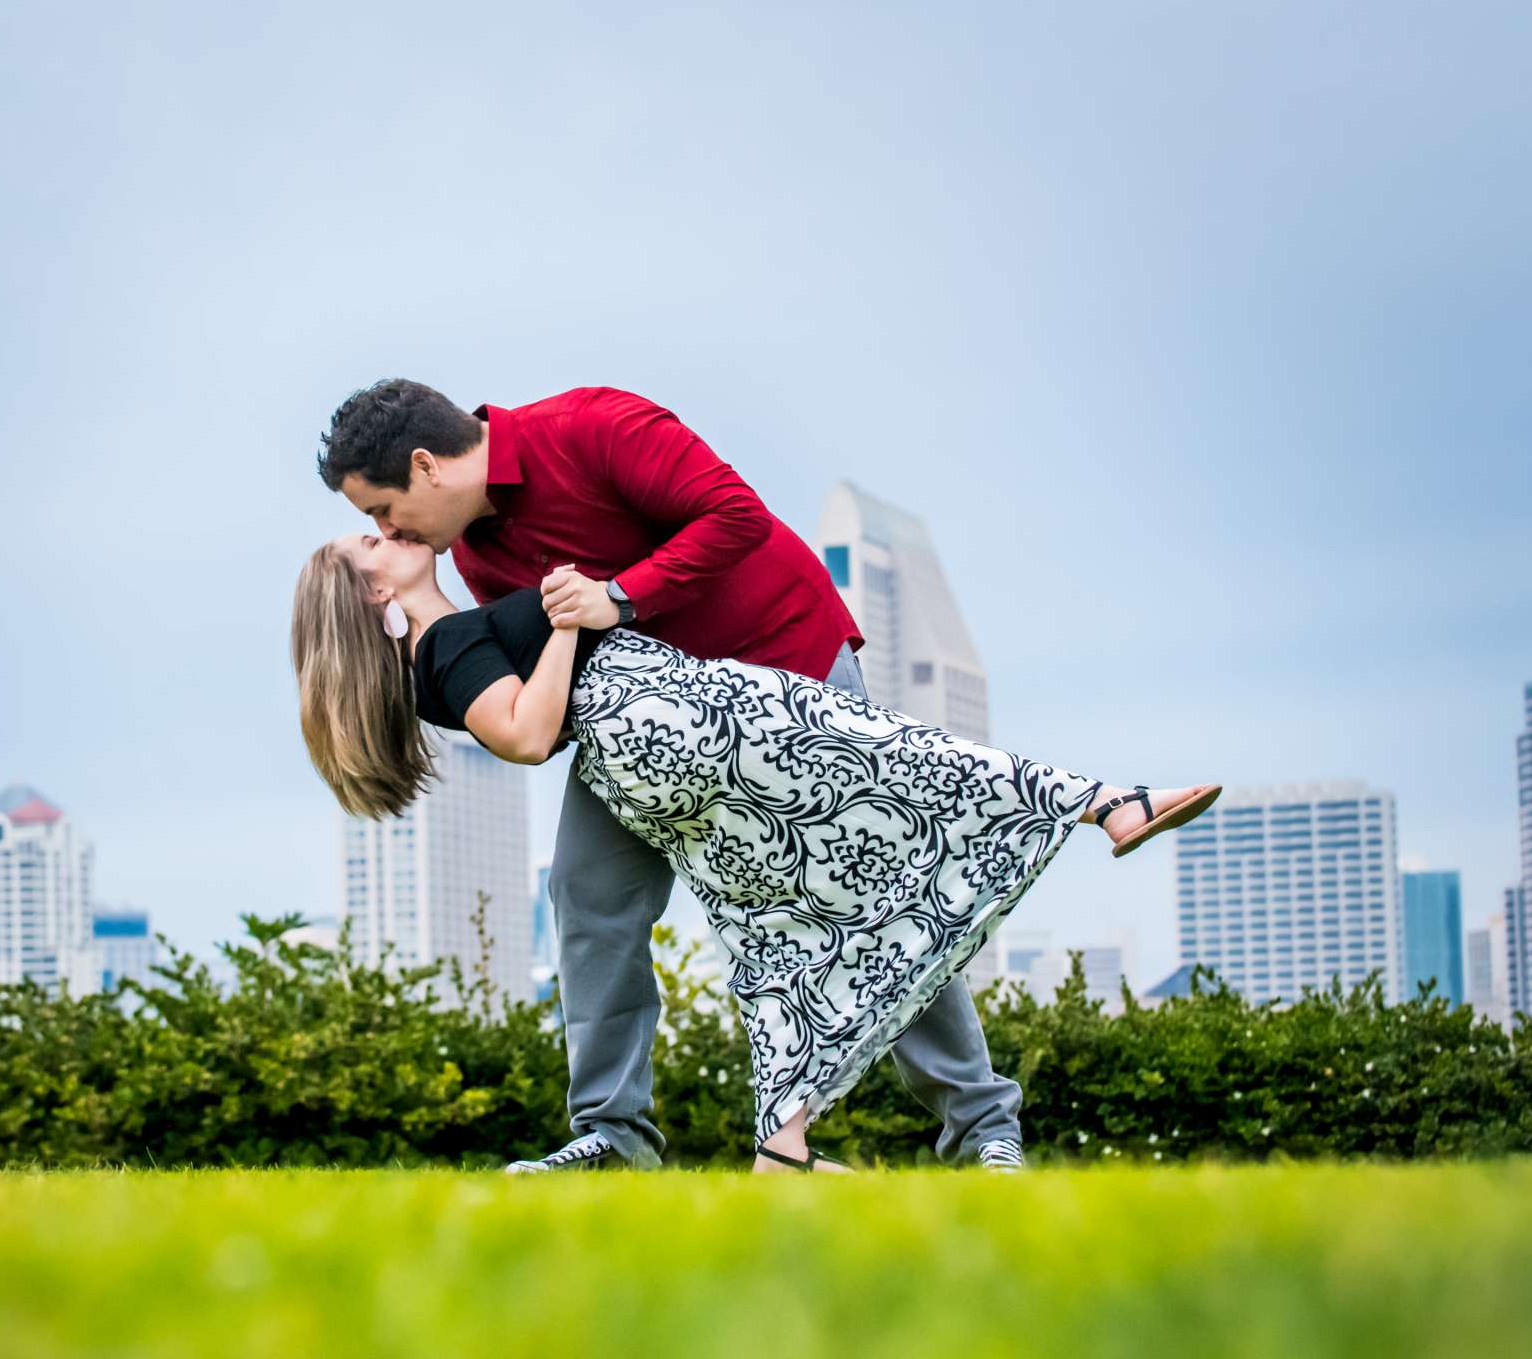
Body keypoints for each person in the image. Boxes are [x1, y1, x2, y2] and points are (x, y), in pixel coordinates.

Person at [309, 379, 1217, 1171]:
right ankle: (612, 1135)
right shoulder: (472, 558)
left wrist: (619, 595)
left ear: (426, 465)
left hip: (786, 667)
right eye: (372, 530)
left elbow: (735, 516)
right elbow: (538, 690)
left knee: (875, 886)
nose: (385, 531)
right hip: (651, 735)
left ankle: (981, 1127)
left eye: (380, 511)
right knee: (587, 899)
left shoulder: (591, 427)